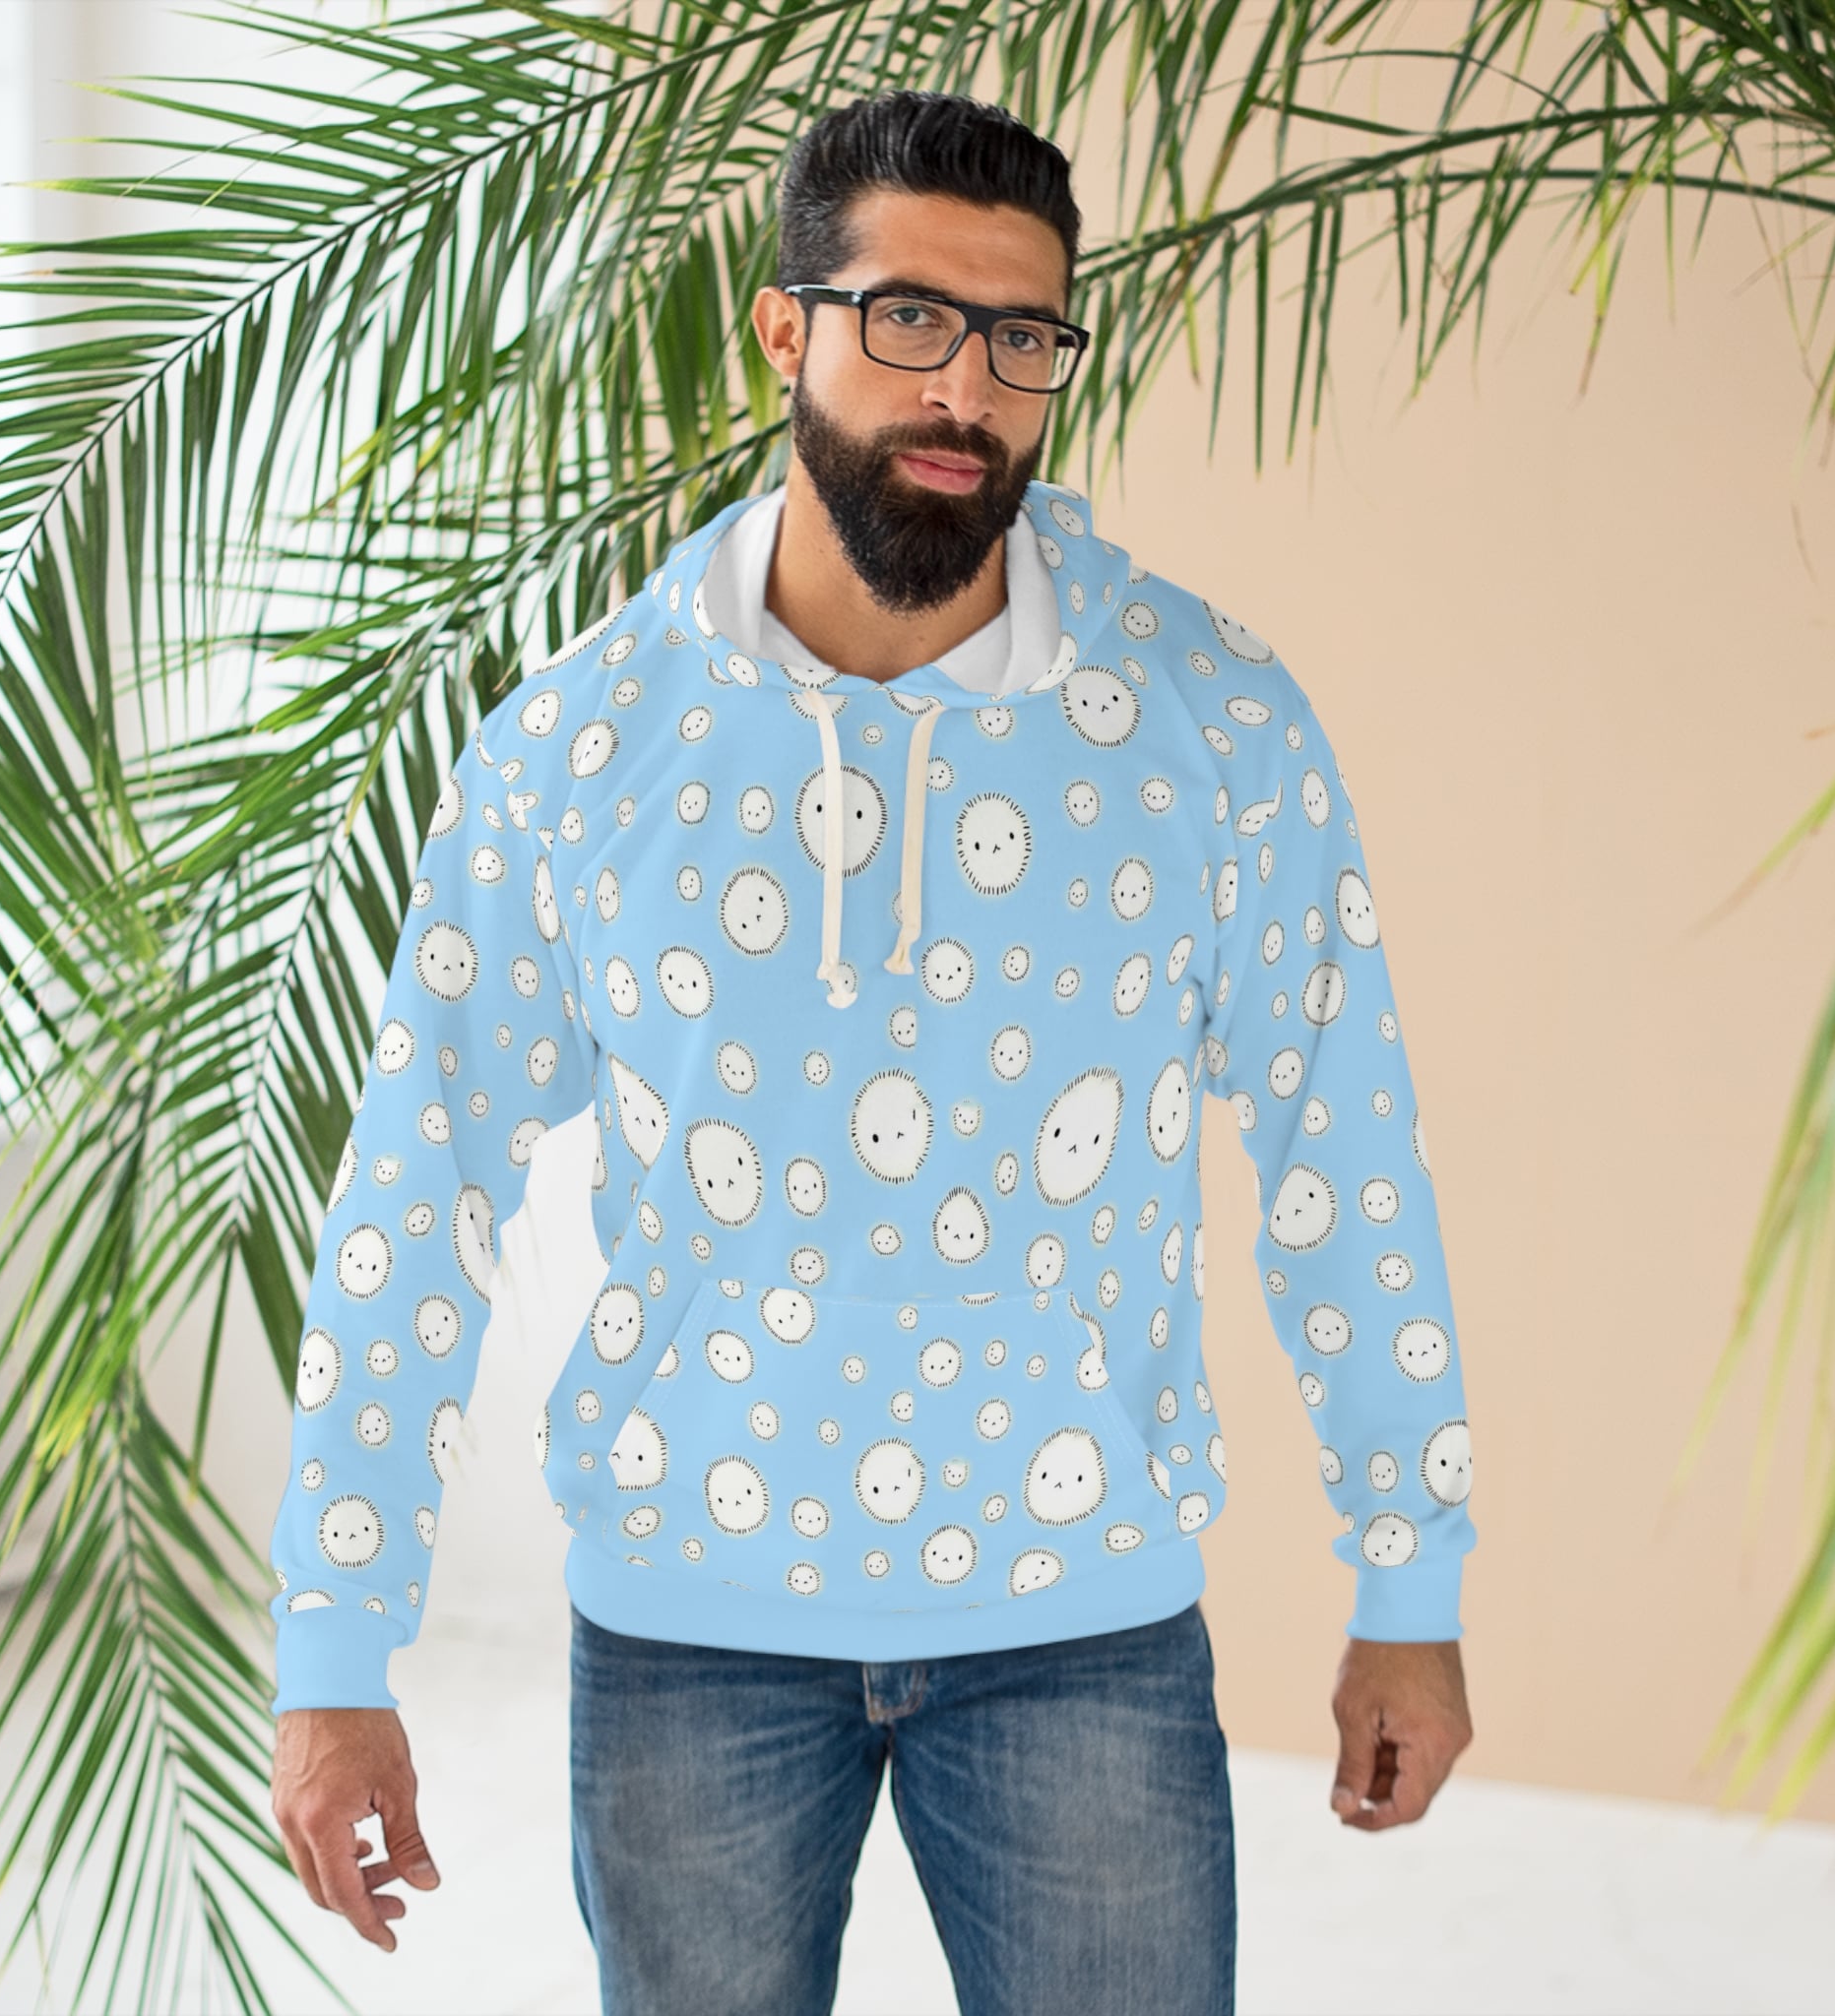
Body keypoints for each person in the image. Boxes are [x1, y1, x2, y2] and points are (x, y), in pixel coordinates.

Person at [268, 88, 1477, 2016]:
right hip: (687, 1631)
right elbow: (420, 1180)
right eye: (909, 317)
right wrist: (336, 1648)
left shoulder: (1214, 726)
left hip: (1085, 1621)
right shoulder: (582, 747)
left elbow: (1346, 1152)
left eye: (1020, 337)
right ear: (785, 327)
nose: (965, 390)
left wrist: (1408, 1577)